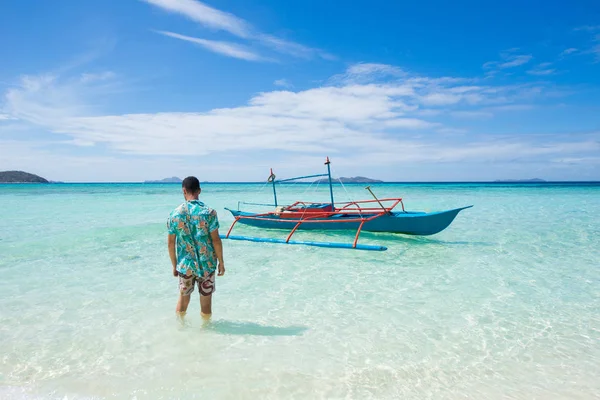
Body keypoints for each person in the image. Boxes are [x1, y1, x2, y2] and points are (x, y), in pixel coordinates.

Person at [167, 176, 225, 321]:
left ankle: (180, 330)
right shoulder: (209, 213)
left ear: (183, 190)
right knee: (206, 304)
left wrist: (174, 266)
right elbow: (216, 240)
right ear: (199, 190)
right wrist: (221, 263)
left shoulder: (175, 214)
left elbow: (170, 243)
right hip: (207, 264)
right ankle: (206, 333)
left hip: (185, 265)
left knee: (183, 301)